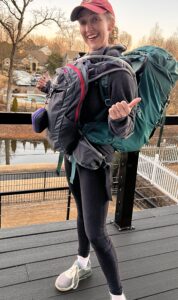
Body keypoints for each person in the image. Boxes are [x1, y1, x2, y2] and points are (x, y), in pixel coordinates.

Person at [37, 1, 140, 299]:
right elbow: (78, 103)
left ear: (110, 23)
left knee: (97, 233)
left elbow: (125, 130)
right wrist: (49, 91)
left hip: (95, 161)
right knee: (81, 215)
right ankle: (82, 264)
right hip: (72, 154)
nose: (88, 28)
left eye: (94, 20)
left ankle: (117, 295)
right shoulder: (84, 62)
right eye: (82, 22)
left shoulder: (119, 71)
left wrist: (119, 119)